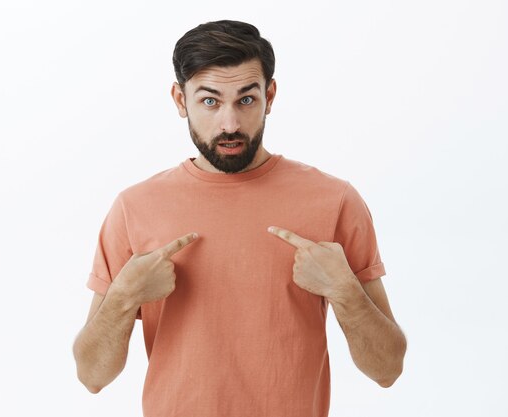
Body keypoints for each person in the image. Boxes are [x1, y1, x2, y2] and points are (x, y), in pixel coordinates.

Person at [72, 19, 407, 417]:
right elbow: (92, 376)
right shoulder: (134, 208)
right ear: (181, 101)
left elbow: (387, 370)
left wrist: (344, 290)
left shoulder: (335, 201)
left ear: (270, 94)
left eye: (246, 100)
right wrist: (125, 296)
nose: (229, 124)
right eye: (210, 101)